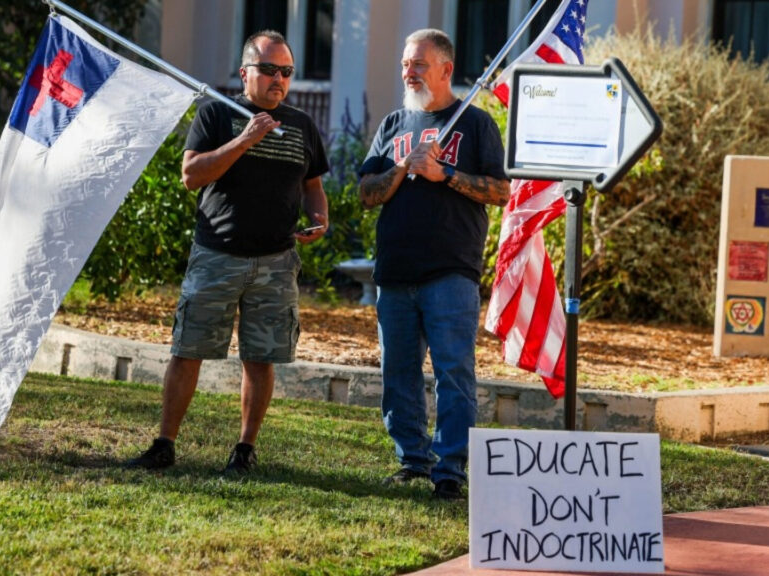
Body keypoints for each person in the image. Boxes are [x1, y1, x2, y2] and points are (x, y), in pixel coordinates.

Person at [124, 30, 329, 475]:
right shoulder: (218, 112)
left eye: (286, 72)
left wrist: (319, 219)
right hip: (218, 254)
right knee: (188, 349)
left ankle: (244, 449)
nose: (279, 79)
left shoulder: (302, 125)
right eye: (269, 70)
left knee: (261, 357)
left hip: (276, 262)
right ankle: (164, 443)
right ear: (245, 73)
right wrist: (244, 141)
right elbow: (191, 175)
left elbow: (313, 185)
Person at [358, 29, 510, 499]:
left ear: (445, 69)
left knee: (453, 372)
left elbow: (501, 193)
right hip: (395, 271)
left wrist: (444, 174)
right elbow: (367, 194)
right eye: (406, 63)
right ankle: (412, 459)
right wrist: (404, 166)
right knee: (398, 373)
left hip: (451, 270)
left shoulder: (476, 124)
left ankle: (450, 470)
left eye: (419, 64)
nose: (409, 71)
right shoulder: (392, 125)